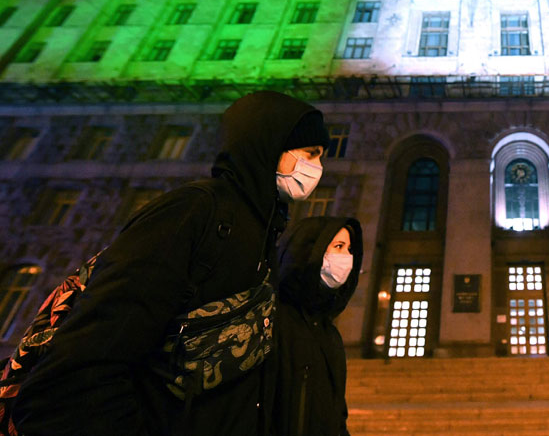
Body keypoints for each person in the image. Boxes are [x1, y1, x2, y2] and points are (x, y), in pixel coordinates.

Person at [13, 90, 330, 436]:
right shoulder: (196, 212)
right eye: (310, 153)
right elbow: (81, 369)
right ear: (270, 143)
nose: (316, 168)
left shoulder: (263, 231)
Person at [273, 216, 362, 436]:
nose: (347, 258)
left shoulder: (328, 333)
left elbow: (336, 415)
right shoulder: (273, 322)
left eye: (350, 249)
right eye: (338, 247)